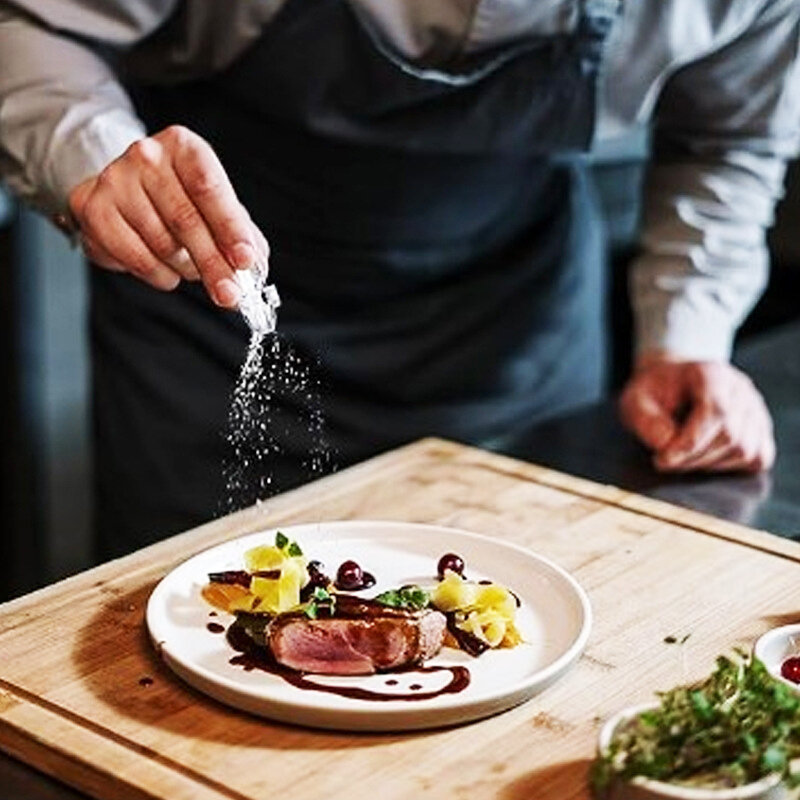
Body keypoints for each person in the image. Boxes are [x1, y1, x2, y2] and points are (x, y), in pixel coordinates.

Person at [0, 0, 796, 557]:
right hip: (209, 323)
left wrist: (688, 338)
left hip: (514, 328)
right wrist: (97, 153)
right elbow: (35, 21)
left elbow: (727, 136)